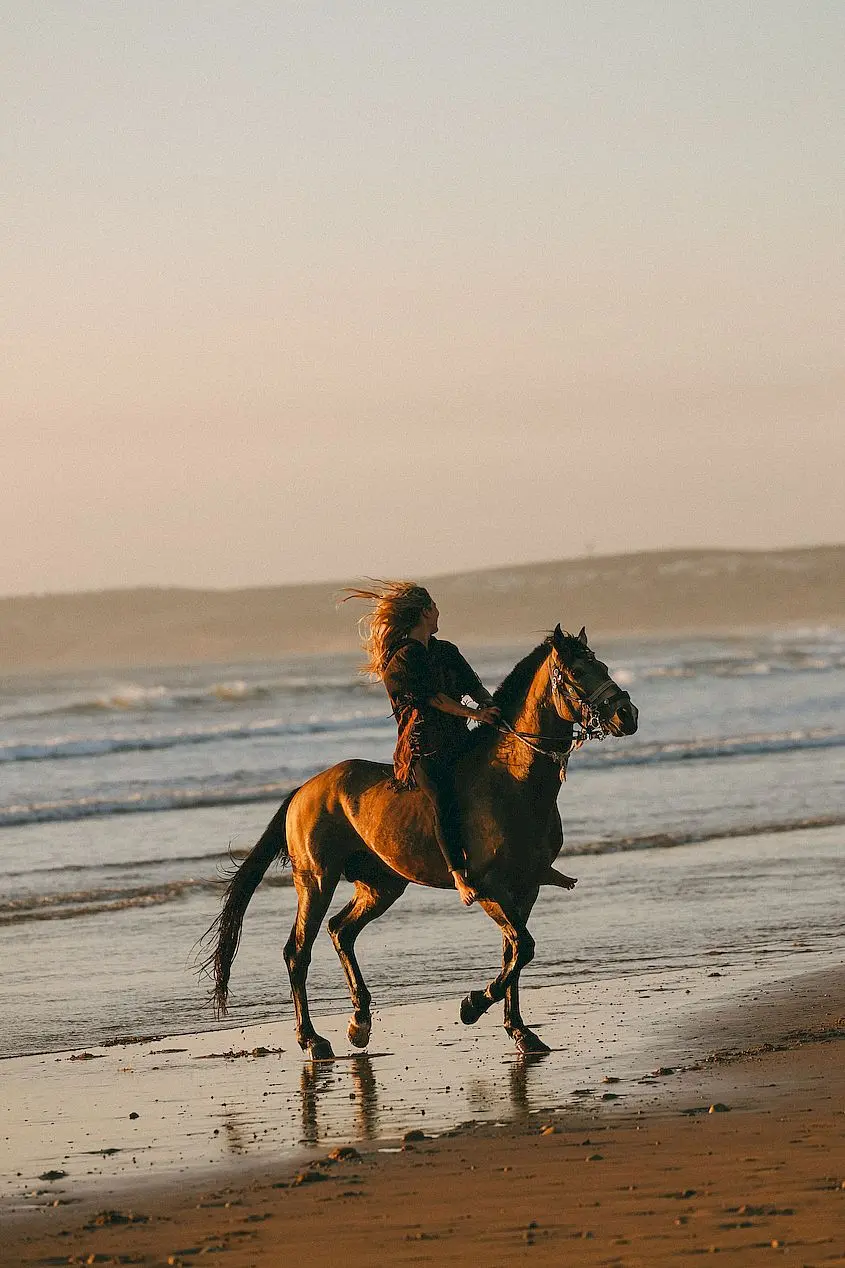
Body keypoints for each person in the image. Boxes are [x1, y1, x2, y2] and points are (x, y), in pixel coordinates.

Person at [343, 582, 500, 905]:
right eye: (436, 608)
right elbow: (435, 699)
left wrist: (491, 707)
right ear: (426, 611)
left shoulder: (446, 651)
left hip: (459, 739)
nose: (440, 613)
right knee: (445, 801)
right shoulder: (402, 659)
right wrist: (475, 713)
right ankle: (459, 876)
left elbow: (473, 685)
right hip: (424, 750)